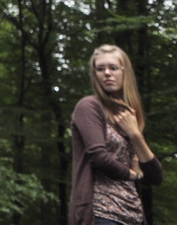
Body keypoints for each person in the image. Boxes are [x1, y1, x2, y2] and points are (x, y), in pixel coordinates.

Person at [69, 44, 162, 225]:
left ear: (124, 72)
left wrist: (135, 134)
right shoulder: (89, 106)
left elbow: (155, 177)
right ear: (95, 74)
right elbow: (99, 157)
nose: (107, 73)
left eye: (113, 67)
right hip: (101, 212)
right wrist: (133, 175)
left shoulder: (129, 115)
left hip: (133, 215)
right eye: (100, 69)